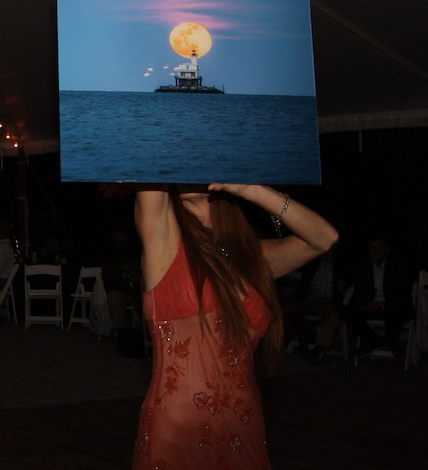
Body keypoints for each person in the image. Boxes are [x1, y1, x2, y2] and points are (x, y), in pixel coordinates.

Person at [133, 184, 338, 469]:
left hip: (243, 426)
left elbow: (325, 239)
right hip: (178, 430)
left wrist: (249, 188)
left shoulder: (254, 259)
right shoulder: (163, 243)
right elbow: (150, 167)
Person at [341, 234, 415, 358]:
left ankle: (390, 342)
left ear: (388, 249)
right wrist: (362, 303)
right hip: (371, 306)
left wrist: (381, 305)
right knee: (346, 311)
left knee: (397, 309)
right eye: (373, 247)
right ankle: (376, 341)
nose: (377, 250)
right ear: (368, 250)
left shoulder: (397, 266)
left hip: (390, 306)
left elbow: (402, 293)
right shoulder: (363, 266)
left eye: (380, 246)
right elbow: (359, 288)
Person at [282, 247, 345, 364]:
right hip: (307, 301)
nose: (326, 252)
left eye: (329, 249)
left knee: (334, 317)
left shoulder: (340, 266)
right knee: (286, 309)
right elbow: (298, 277)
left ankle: (319, 349)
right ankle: (283, 340)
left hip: (327, 305)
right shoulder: (312, 263)